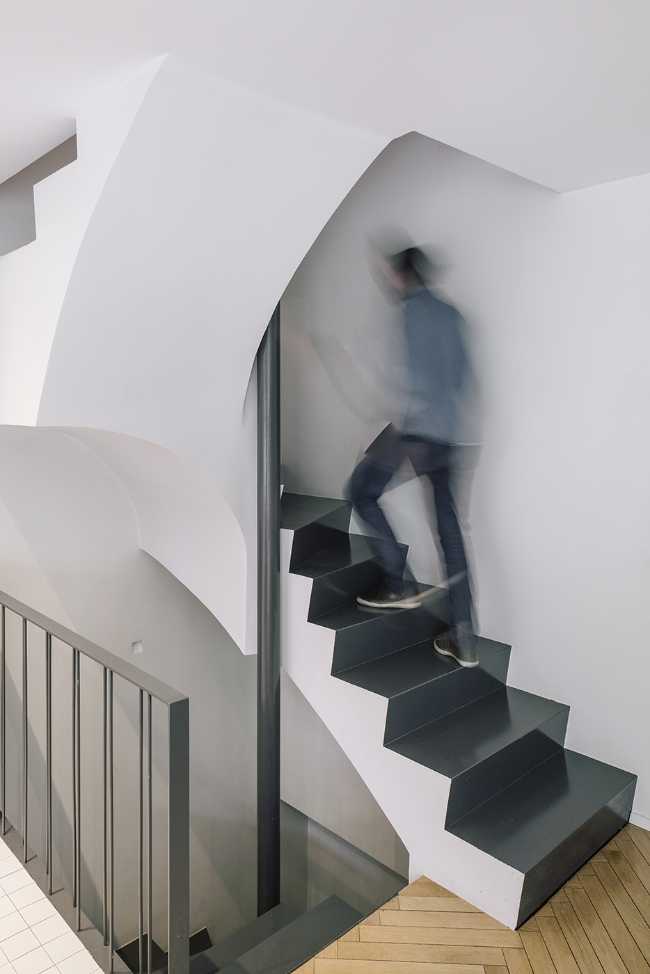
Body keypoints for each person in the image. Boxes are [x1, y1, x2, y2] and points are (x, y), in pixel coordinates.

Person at [345, 245, 478, 668]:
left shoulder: (408, 314)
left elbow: (406, 379)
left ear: (403, 275)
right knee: (451, 535)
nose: (389, 282)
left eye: (390, 275)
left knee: (361, 490)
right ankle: (464, 636)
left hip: (415, 429)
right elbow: (461, 380)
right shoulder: (452, 314)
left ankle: (397, 584)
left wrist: (394, 434)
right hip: (452, 435)